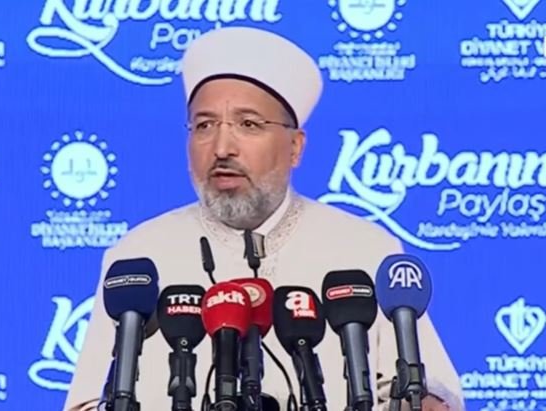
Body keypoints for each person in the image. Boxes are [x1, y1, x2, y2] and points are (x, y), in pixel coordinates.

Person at [64, 27, 464, 411]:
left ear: (295, 147)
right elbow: (88, 399)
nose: (222, 147)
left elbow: (427, 390)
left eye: (248, 124)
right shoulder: (137, 256)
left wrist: (426, 401)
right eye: (204, 125)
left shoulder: (365, 249)